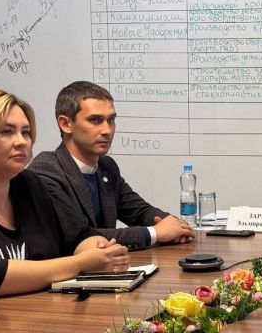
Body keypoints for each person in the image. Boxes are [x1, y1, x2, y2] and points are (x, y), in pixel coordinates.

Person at [0, 89, 130, 299]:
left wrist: (103, 251)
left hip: (41, 314)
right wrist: (80, 264)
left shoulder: (33, 184)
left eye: (25, 132)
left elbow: (80, 235)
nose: (22, 141)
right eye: (7, 132)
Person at [28, 81, 194, 251]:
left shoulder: (106, 167)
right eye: (95, 120)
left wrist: (174, 225)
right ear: (66, 124)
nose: (107, 130)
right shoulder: (47, 169)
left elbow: (138, 210)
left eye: (111, 120)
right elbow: (79, 236)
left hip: (109, 265)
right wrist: (154, 233)